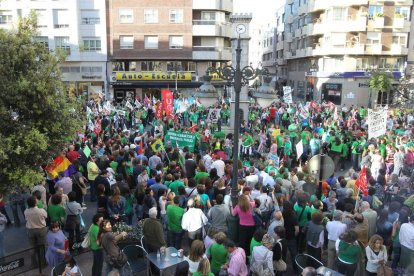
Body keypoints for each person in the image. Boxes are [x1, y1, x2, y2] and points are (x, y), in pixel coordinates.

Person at [24, 195, 48, 266]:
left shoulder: (26, 211)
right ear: (35, 203)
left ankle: (33, 263)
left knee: (32, 247)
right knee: (42, 247)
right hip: (41, 230)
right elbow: (46, 216)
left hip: (30, 230)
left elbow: (26, 219)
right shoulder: (41, 210)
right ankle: (43, 263)